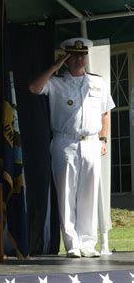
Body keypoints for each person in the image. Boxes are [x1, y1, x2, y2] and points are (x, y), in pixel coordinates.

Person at [28, 37, 115, 258]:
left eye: (81, 55)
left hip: (92, 141)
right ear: (66, 58)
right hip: (65, 141)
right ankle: (72, 243)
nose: (78, 59)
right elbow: (34, 88)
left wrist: (103, 139)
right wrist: (55, 66)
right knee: (66, 194)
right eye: (73, 55)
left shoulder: (98, 82)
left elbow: (106, 112)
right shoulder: (56, 82)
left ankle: (88, 242)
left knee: (89, 193)